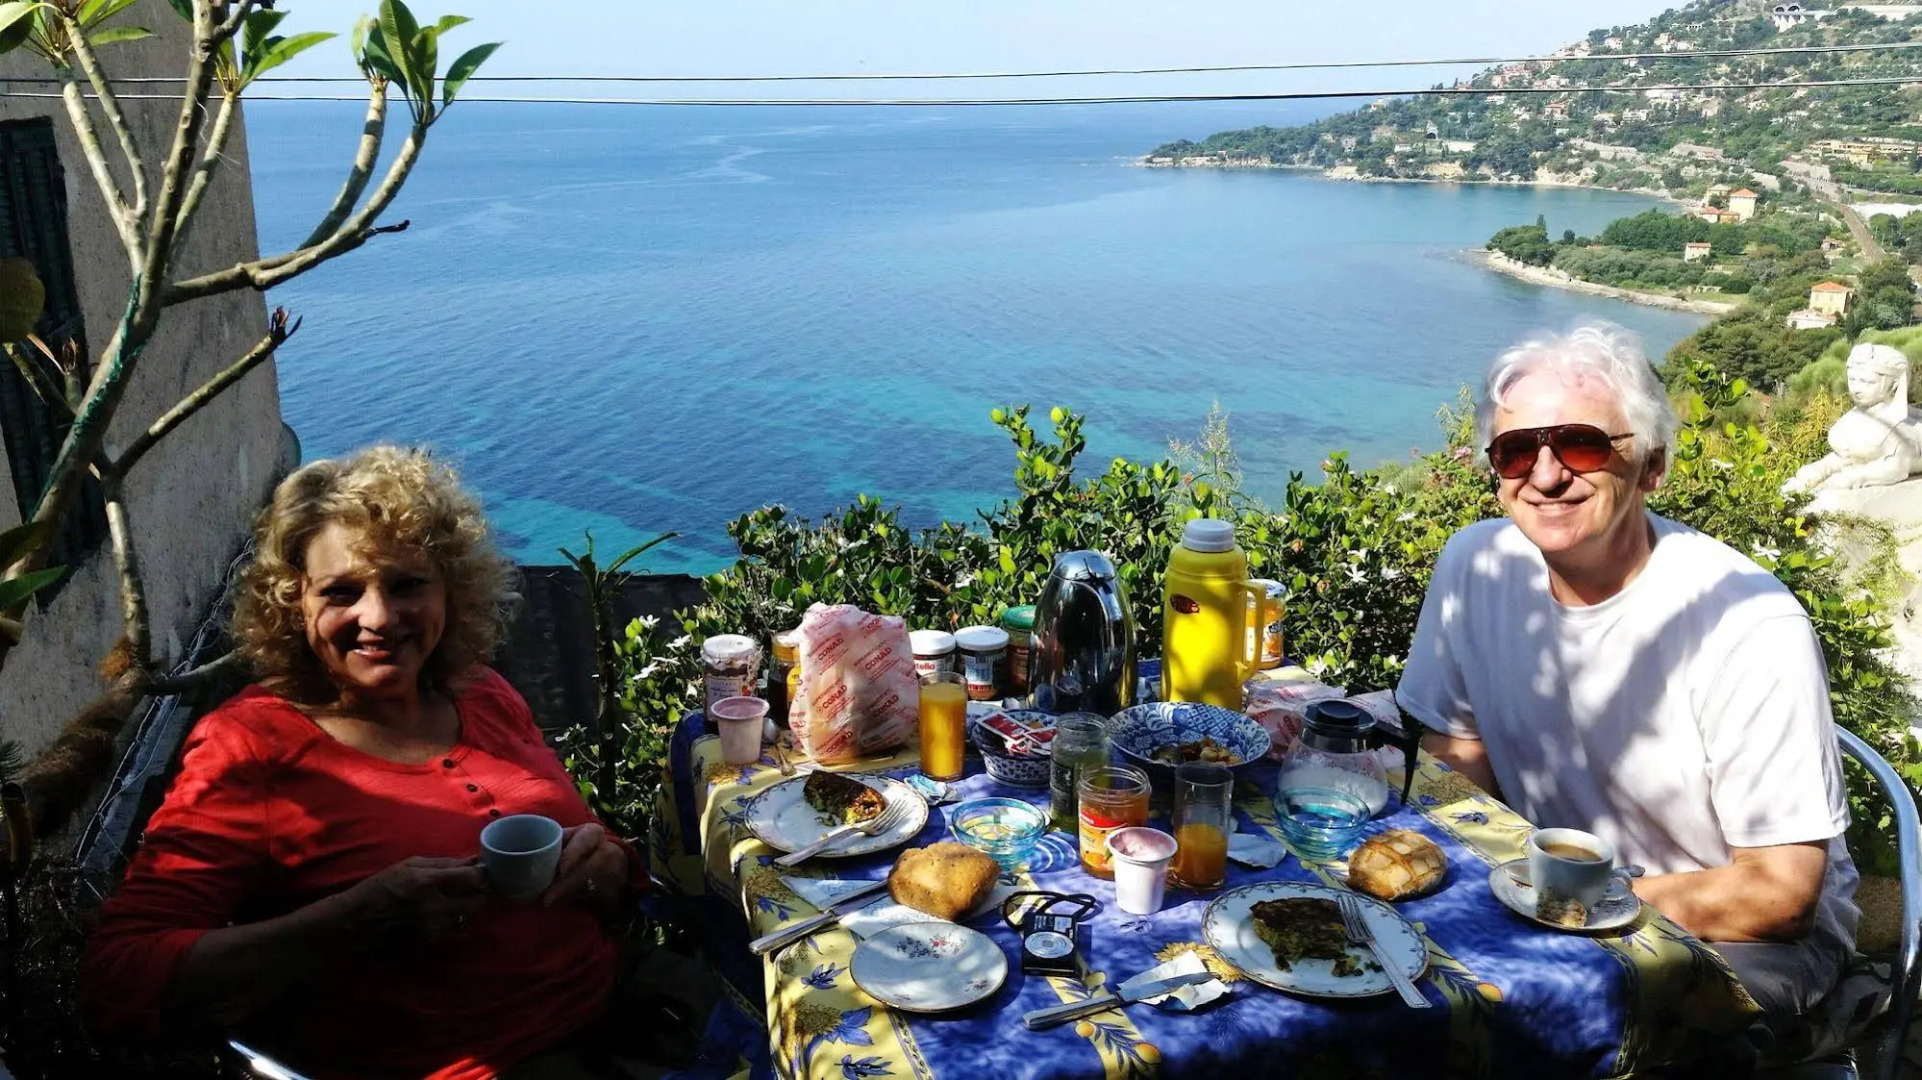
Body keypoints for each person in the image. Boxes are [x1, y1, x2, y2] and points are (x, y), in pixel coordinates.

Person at [83, 446, 649, 1079]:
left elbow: (599, 859)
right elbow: (119, 978)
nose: (378, 618)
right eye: (341, 592)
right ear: (293, 603)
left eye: (408, 585)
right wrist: (352, 921)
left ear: (451, 590)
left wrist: (607, 865)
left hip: (630, 1018)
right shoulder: (248, 747)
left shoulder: (481, 693)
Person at [1395, 322, 1858, 1051]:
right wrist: (1454, 877)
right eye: (1517, 450)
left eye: (1580, 445)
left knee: (1542, 1035)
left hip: (1735, 937)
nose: (1545, 476)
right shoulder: (1476, 566)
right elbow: (1458, 751)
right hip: (1549, 899)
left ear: (1652, 466)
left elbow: (1779, 894)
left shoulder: (1746, 622)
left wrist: (1557, 909)